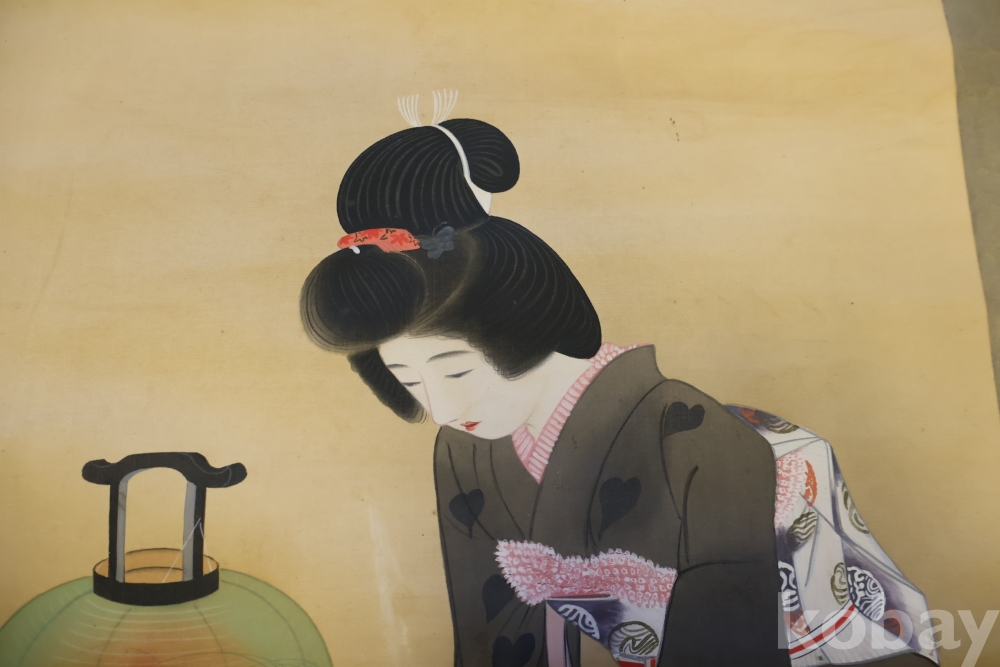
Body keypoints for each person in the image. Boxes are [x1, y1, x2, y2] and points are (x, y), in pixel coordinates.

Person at [300, 110, 937, 667]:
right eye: (408, 380)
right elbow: (494, 639)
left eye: (456, 370)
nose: (441, 408)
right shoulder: (467, 448)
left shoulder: (697, 439)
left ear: (527, 322)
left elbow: (730, 646)